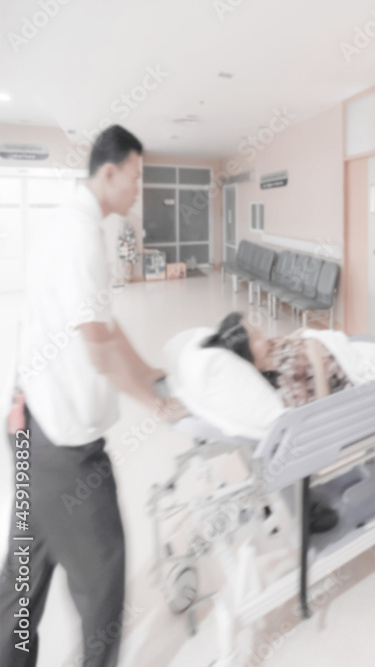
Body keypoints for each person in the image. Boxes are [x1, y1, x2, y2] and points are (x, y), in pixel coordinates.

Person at [2, 125, 187, 667]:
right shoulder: (82, 235)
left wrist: (149, 371)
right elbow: (98, 350)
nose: (136, 190)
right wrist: (155, 404)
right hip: (65, 449)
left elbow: (105, 326)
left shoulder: (67, 224)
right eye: (134, 177)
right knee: (104, 582)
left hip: (30, 429)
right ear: (109, 173)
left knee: (24, 574)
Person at [201, 311, 352, 408]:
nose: (261, 333)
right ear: (247, 357)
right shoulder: (282, 382)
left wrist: (295, 336)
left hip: (338, 347)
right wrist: (317, 360)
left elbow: (286, 340)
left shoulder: (268, 349)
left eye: (255, 330)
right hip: (348, 372)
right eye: (254, 338)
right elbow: (320, 413)